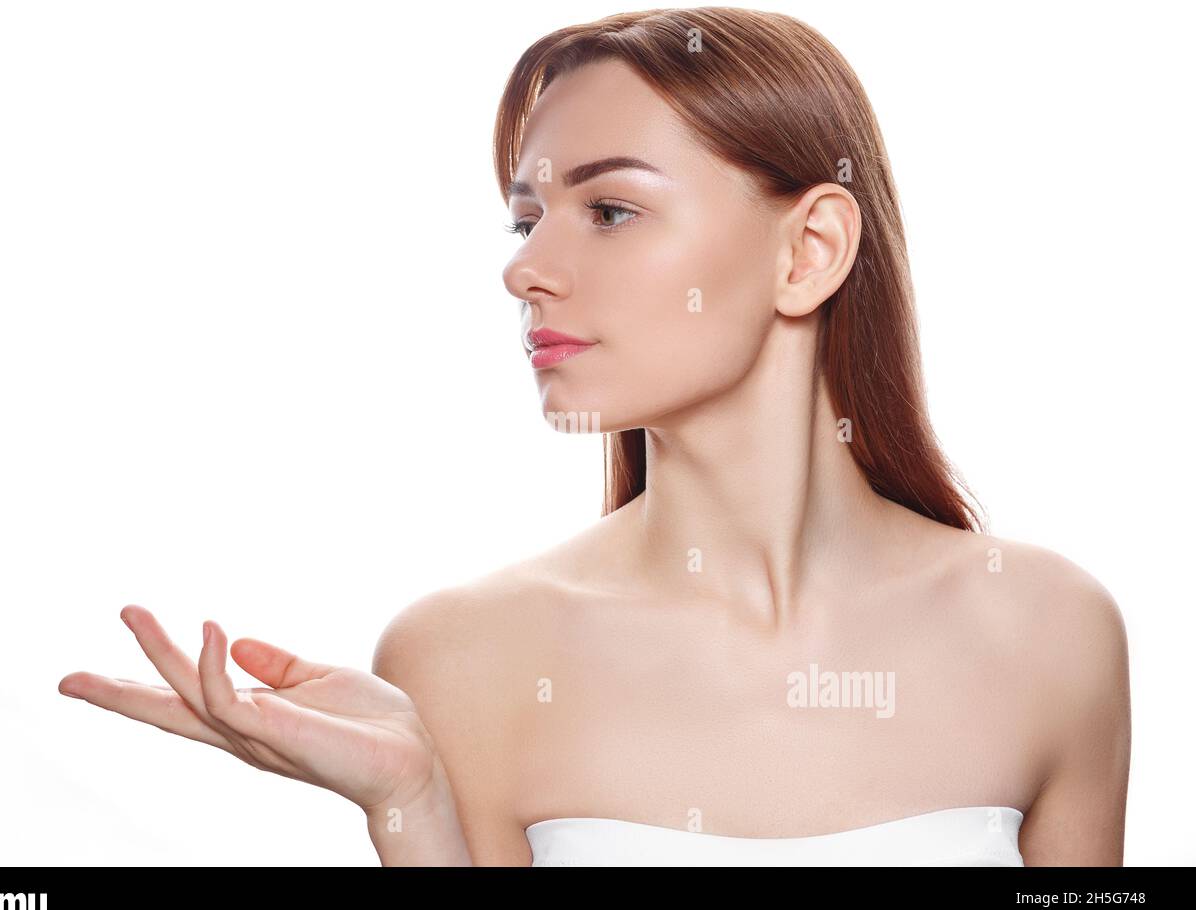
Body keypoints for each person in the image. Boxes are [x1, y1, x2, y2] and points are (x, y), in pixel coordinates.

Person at [57, 7, 1131, 866]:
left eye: (609, 210)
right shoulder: (464, 657)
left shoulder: (1048, 632)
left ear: (808, 250)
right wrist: (410, 810)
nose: (525, 269)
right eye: (527, 218)